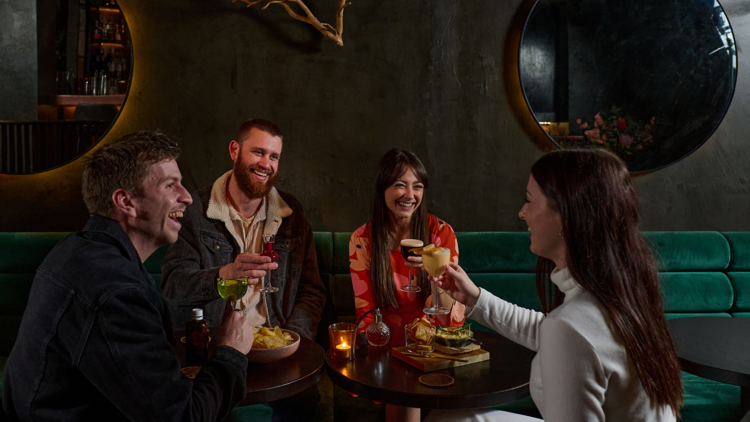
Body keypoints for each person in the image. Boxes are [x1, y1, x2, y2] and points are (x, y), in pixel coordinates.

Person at [2, 131, 260, 421]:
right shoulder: (119, 294)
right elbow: (185, 417)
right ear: (126, 202)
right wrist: (231, 351)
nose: (187, 197)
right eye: (169, 185)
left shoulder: (76, 249)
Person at [426, 149, 683, 422]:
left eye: (529, 200)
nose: (521, 213)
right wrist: (475, 299)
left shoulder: (571, 325)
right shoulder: (625, 290)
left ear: (566, 215)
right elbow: (555, 334)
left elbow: (567, 335)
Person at [161, 118, 326, 422]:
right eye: (258, 152)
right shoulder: (195, 211)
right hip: (217, 353)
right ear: (235, 150)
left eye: (274, 156)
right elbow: (173, 286)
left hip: (278, 356)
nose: (266, 164)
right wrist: (222, 275)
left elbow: (311, 289)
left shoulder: (291, 213)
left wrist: (290, 339)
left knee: (302, 404)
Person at [349, 148, 465, 422]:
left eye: (417, 186)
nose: (409, 195)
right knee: (400, 378)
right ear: (383, 188)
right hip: (387, 345)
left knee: (407, 382)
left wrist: (434, 280)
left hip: (435, 343)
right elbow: (366, 312)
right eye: (400, 185)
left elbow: (449, 315)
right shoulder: (363, 240)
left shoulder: (440, 233)